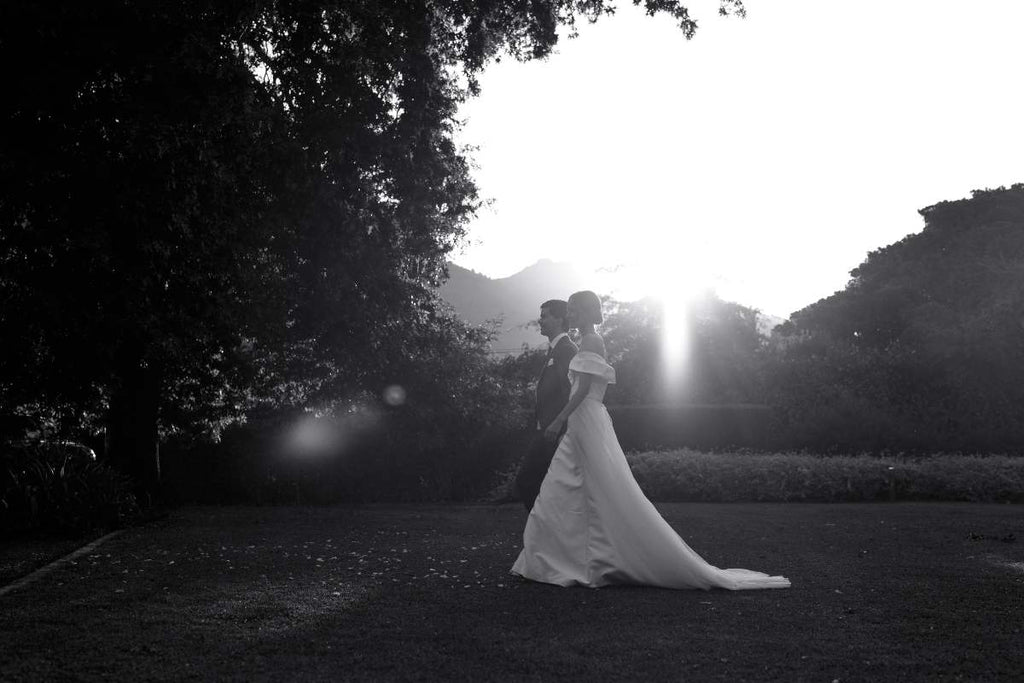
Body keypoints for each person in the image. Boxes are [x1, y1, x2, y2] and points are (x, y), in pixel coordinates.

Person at [511, 290, 791, 590]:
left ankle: (587, 557)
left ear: (587, 311)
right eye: (570, 310)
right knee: (568, 486)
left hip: (584, 418)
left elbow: (581, 391)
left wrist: (558, 419)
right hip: (581, 422)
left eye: (575, 310)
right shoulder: (582, 343)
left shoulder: (593, 341)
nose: (572, 315)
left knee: (591, 486)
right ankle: (564, 557)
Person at [513, 299, 578, 511]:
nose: (540, 321)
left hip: (555, 432)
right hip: (546, 430)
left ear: (559, 319)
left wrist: (561, 427)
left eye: (544, 316)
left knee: (528, 480)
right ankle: (548, 531)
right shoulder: (554, 349)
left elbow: (570, 391)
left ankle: (546, 529)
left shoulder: (566, 349)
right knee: (541, 484)